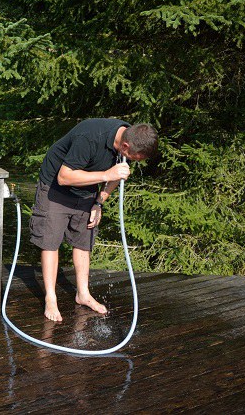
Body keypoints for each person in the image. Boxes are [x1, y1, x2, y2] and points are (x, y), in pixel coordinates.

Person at [29, 118, 157, 322]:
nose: (132, 161)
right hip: (55, 187)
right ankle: (51, 298)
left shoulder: (130, 138)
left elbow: (118, 174)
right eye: (132, 157)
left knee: (83, 239)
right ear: (125, 145)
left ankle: (83, 294)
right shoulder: (89, 137)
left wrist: (99, 202)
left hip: (87, 189)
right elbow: (64, 177)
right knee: (50, 241)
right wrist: (106, 174)